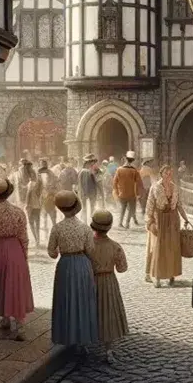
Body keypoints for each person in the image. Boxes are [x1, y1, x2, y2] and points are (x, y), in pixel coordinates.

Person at [0, 178, 34, 340]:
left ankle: (4, 318)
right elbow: (24, 237)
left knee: (1, 283)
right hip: (15, 249)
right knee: (16, 285)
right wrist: (24, 254)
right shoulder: (18, 212)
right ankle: (20, 326)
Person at [47, 190, 99, 349]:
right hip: (82, 263)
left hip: (65, 265)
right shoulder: (84, 228)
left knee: (66, 299)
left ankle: (66, 335)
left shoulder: (57, 228)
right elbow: (91, 250)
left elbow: (51, 252)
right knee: (82, 299)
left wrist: (57, 252)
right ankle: (83, 337)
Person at [87, 209, 129, 363]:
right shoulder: (115, 246)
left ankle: (85, 343)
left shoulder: (87, 245)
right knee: (108, 312)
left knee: (89, 310)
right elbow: (122, 268)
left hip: (90, 281)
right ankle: (108, 349)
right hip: (108, 281)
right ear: (109, 227)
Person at [145, 164, 189, 286]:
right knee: (160, 248)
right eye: (166, 173)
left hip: (173, 219)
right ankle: (158, 277)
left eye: (170, 173)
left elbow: (179, 204)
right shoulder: (155, 187)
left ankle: (171, 275)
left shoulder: (175, 187)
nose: (168, 176)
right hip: (160, 219)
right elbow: (149, 205)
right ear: (161, 174)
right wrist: (150, 221)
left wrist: (186, 218)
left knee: (173, 248)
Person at [113, 153, 141, 229]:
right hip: (132, 194)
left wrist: (117, 192)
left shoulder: (119, 169)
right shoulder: (134, 170)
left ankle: (120, 223)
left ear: (126, 159)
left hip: (122, 194)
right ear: (133, 161)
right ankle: (127, 224)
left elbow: (115, 182)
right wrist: (138, 193)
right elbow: (138, 183)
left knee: (122, 208)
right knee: (131, 209)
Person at [24, 167, 44, 247]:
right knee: (37, 223)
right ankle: (38, 240)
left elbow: (28, 194)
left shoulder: (31, 183)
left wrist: (26, 204)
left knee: (31, 223)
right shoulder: (39, 183)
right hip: (38, 206)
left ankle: (36, 240)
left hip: (31, 206)